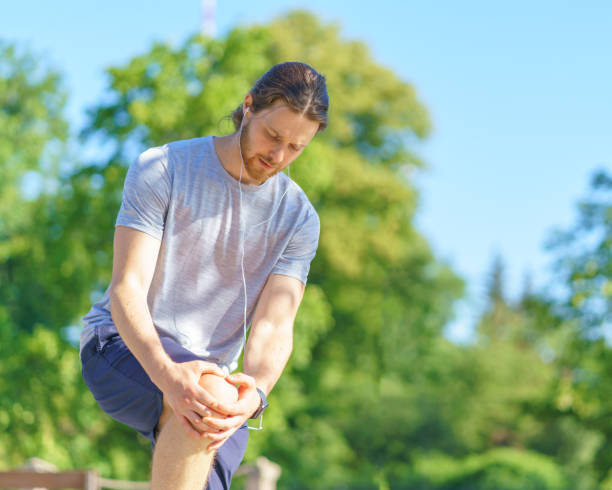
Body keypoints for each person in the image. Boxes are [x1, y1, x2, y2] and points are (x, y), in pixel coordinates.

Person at [79, 61, 329, 490]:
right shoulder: (163, 167)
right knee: (206, 395)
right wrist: (167, 374)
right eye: (273, 136)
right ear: (248, 107)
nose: (278, 156)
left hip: (216, 386)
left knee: (212, 411)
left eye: (295, 147)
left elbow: (274, 324)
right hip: (120, 347)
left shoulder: (299, 218)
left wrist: (257, 390)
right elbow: (127, 289)